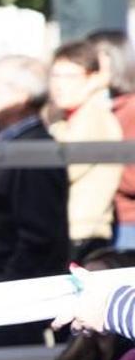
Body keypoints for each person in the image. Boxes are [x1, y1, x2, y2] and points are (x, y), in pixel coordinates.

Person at [0, 55, 68, 360]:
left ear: (19, 96)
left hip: (16, 299)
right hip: (9, 293)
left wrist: (3, 288)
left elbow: (38, 234)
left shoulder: (33, 151)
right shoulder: (16, 145)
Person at [48, 39, 122, 258]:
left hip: (84, 233)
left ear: (92, 78)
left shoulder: (94, 116)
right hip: (74, 232)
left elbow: (65, 168)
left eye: (69, 76)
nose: (59, 85)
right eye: (55, 76)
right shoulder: (68, 117)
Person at [88, 31, 135, 251]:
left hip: (127, 221)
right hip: (109, 218)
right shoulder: (99, 107)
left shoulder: (130, 109)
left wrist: (102, 169)